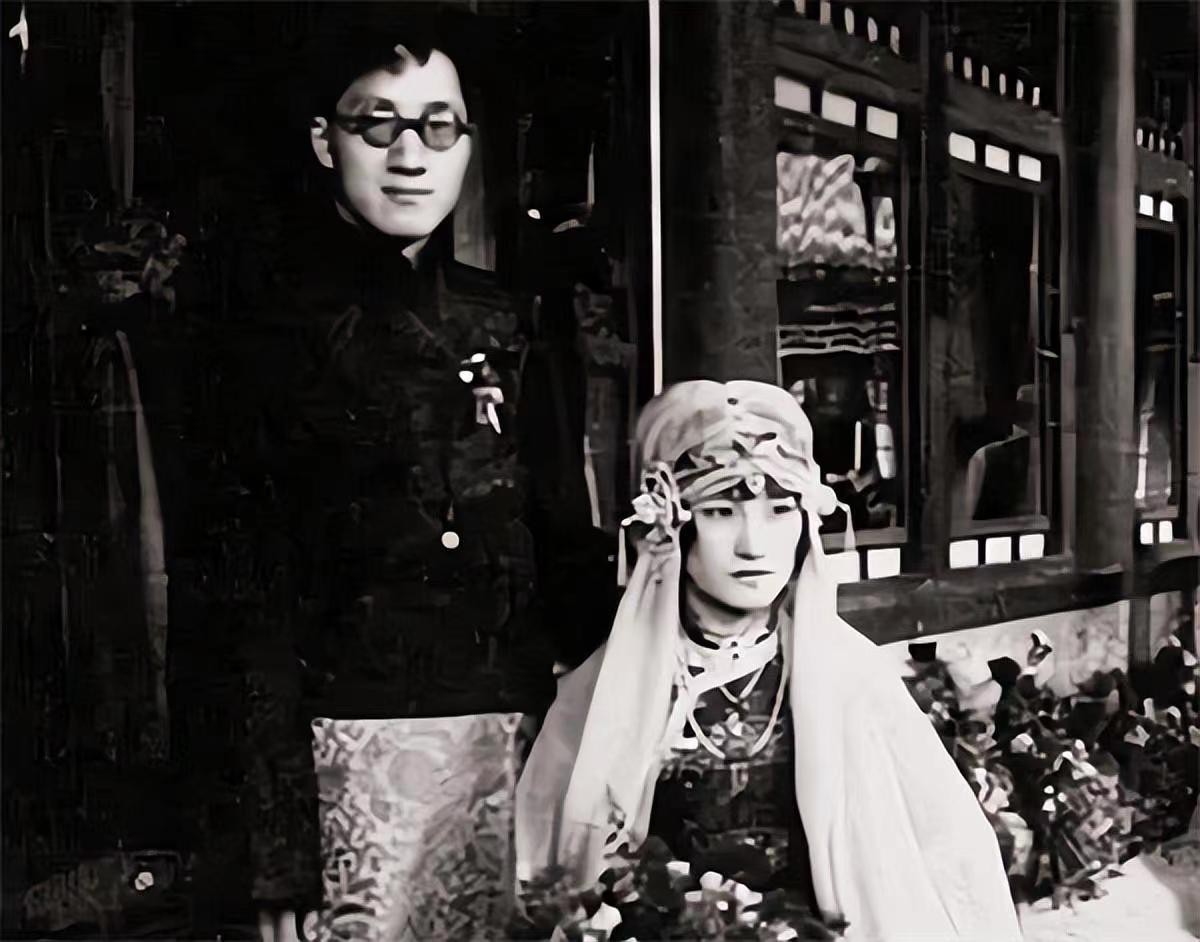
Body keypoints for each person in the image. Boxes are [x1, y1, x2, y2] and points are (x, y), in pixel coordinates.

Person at [203, 18, 612, 941]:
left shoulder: (511, 323)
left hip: (518, 748)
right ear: (326, 140)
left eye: (438, 126)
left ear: (467, 144)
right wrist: (276, 852)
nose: (409, 155)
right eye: (377, 124)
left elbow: (561, 542)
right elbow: (241, 602)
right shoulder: (262, 334)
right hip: (342, 764)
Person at [515, 380, 1022, 941]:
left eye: (780, 510)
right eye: (720, 511)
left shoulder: (854, 679)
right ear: (672, 526)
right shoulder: (605, 690)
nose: (753, 544)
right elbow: (557, 867)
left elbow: (946, 853)